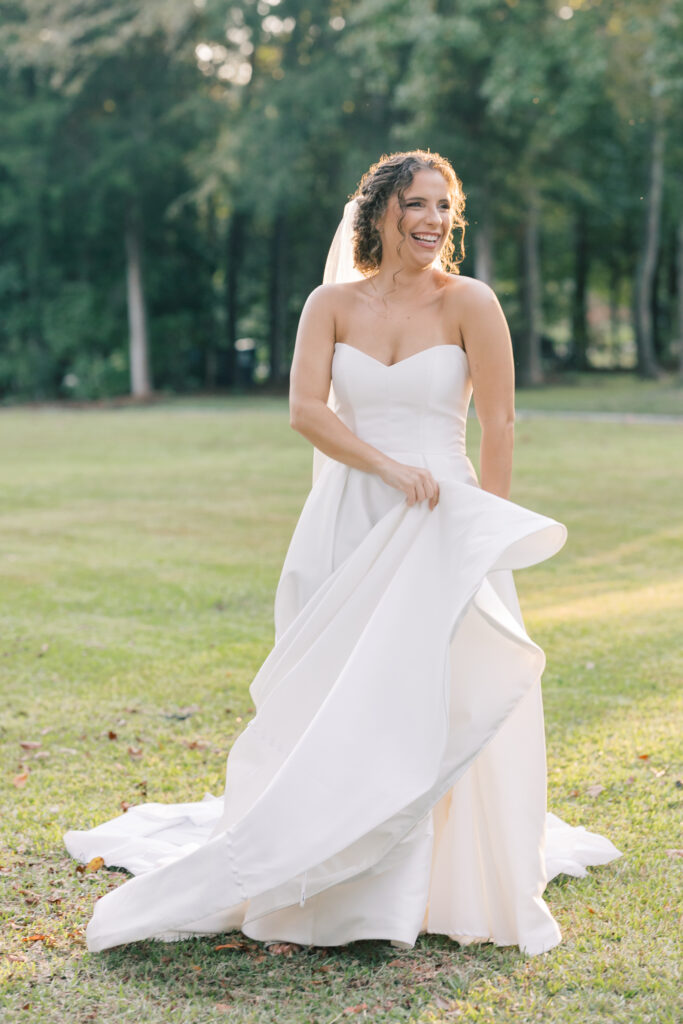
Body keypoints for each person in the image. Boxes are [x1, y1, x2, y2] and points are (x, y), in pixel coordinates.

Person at [65, 150, 621, 958]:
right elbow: (304, 411)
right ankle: (322, 861)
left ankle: (438, 878)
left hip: (444, 523)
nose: (433, 221)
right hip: (350, 517)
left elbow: (497, 423)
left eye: (443, 207)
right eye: (417, 206)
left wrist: (484, 531)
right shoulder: (330, 304)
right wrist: (389, 468)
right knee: (336, 693)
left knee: (434, 688)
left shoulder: (471, 302)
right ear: (380, 214)